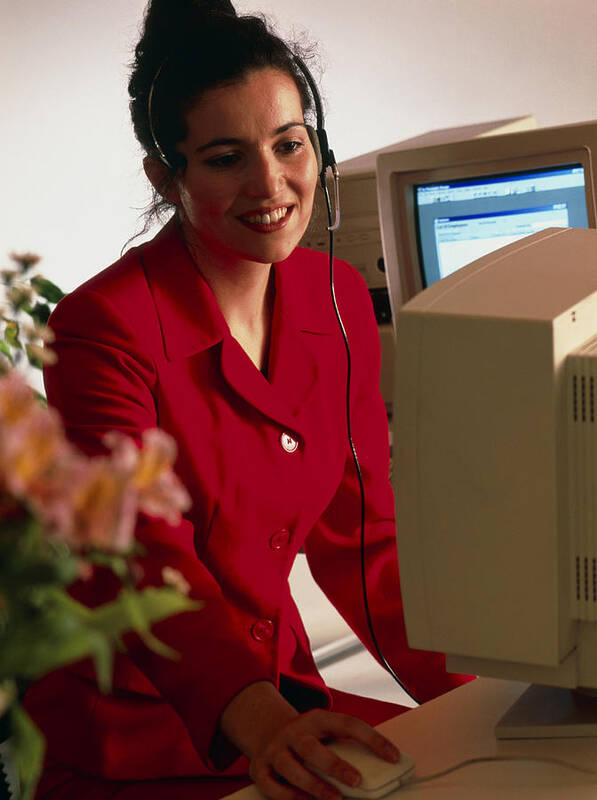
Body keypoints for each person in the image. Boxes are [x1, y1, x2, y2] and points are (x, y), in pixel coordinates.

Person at [24, 1, 472, 798]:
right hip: (144, 731)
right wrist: (260, 719)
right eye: (226, 157)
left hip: (282, 699)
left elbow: (365, 543)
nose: (271, 185)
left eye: (288, 144)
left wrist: (490, 694)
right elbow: (139, 561)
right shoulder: (102, 327)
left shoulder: (333, 296)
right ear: (167, 174)